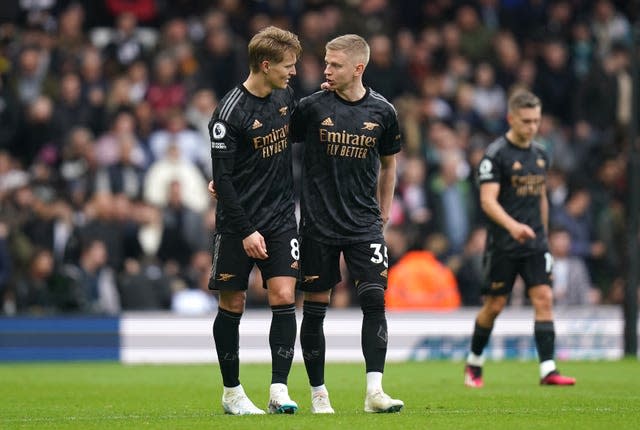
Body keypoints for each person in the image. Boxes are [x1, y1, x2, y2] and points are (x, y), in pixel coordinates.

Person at [291, 34, 404, 414]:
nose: (326, 69)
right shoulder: (310, 107)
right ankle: (319, 394)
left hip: (362, 224)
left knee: (374, 299)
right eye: (326, 62)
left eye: (335, 64)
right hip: (318, 225)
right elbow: (275, 145)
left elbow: (389, 163)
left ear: (358, 68)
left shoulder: (383, 112)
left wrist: (383, 211)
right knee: (316, 308)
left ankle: (375, 391)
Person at [207, 26, 301, 415]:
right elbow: (222, 180)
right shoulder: (228, 114)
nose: (293, 72)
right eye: (288, 65)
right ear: (266, 65)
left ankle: (279, 389)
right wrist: (246, 231)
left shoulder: (285, 96)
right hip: (237, 222)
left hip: (280, 216)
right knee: (234, 301)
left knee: (283, 295)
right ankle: (231, 393)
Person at [464, 90, 576, 388]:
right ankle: (474, 362)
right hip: (504, 243)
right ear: (511, 118)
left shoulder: (541, 154)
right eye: (526, 121)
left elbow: (541, 197)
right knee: (495, 305)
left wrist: (545, 236)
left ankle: (548, 370)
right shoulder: (495, 156)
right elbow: (488, 201)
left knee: (544, 298)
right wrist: (513, 227)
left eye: (536, 121)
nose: (532, 127)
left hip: (535, 243)